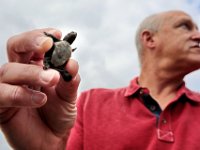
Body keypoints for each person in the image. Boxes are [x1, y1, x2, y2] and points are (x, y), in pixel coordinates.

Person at [1, 10, 200, 150]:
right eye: (185, 26)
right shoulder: (89, 104)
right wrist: (53, 147)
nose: (198, 35)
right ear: (149, 39)